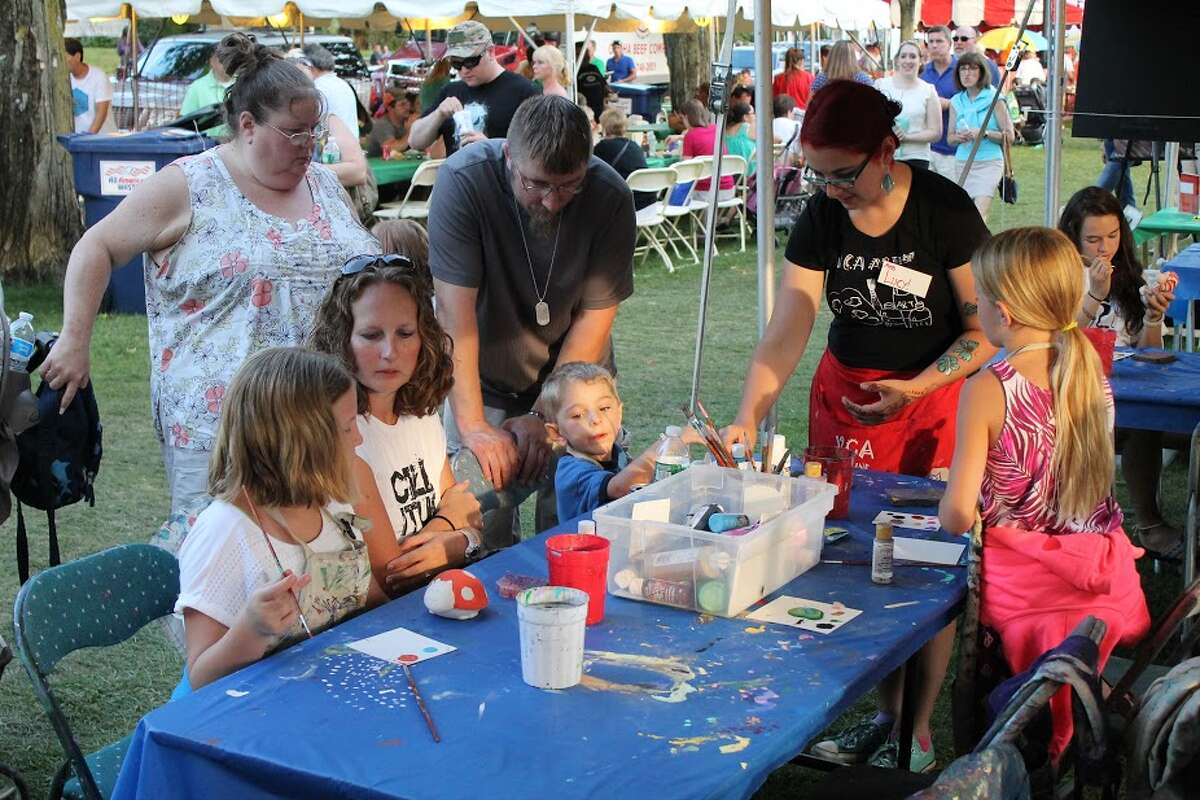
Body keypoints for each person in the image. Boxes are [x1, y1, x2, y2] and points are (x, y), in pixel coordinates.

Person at [722, 80, 993, 772]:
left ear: (886, 151)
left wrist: (920, 387)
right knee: (844, 555)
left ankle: (916, 727)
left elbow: (984, 328)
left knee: (927, 567)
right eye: (817, 174)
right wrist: (749, 410)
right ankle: (875, 711)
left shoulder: (943, 210)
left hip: (932, 402)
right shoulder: (823, 216)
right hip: (845, 398)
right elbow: (792, 320)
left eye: (843, 174)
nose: (831, 189)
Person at [41, 32, 380, 515]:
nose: (309, 146)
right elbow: (96, 246)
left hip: (322, 421)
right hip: (221, 434)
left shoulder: (325, 187)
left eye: (315, 131)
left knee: (322, 565)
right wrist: (75, 341)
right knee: (224, 571)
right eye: (294, 132)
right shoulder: (190, 184)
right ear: (247, 125)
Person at [939, 227, 1150, 760]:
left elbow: (958, 516)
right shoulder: (1088, 369)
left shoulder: (987, 387)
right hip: (1102, 574)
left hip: (1026, 588)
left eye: (979, 297)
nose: (976, 305)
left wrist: (951, 494)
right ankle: (1095, 706)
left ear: (1003, 312)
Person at [427, 95, 636, 549]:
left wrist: (544, 413)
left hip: (573, 386)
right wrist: (475, 427)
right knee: (480, 524)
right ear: (508, 157)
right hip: (481, 377)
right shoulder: (464, 182)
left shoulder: (610, 196)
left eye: (569, 186)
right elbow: (454, 316)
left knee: (574, 525)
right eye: (537, 183)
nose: (552, 201)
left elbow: (595, 317)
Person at [173, 347, 386, 693]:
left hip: (327, 693)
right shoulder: (224, 531)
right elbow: (201, 678)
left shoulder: (332, 507)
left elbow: (372, 603)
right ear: (303, 445)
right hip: (250, 716)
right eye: (348, 428)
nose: (358, 439)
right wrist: (251, 630)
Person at [310, 249, 485, 595]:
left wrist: (461, 534)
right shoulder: (344, 436)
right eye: (371, 335)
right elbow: (393, 575)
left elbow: (471, 514)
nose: (390, 352)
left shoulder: (420, 417)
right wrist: (454, 533)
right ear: (341, 339)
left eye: (405, 333)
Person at [1059, 187, 1182, 560]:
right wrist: (1094, 296)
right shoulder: (1061, 276)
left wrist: (1153, 315)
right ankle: (1097, 528)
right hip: (1070, 396)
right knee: (1117, 427)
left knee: (1141, 425)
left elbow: (1149, 352)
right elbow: (1057, 342)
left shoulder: (1131, 276)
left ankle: (1147, 524)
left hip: (1121, 391)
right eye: (1093, 239)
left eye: (1112, 236)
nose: (1104, 248)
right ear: (1073, 238)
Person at [541, 362, 698, 520]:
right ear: (556, 432)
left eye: (604, 408)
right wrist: (671, 442)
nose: (596, 419)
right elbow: (620, 487)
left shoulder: (617, 453)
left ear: (619, 412)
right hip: (589, 544)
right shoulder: (571, 471)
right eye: (577, 415)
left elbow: (642, 481)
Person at [408, 21, 539, 156]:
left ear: (490, 52)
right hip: (458, 176)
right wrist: (438, 114)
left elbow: (540, 150)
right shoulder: (451, 91)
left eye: (471, 61)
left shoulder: (523, 91)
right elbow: (415, 142)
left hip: (499, 176)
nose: (464, 70)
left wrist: (494, 147)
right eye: (456, 63)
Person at [947, 51, 1014, 223]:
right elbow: (950, 139)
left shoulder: (995, 99)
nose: (967, 74)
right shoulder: (956, 101)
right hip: (963, 162)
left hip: (989, 162)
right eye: (963, 69)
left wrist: (984, 133)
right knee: (964, 214)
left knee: (979, 213)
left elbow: (1010, 136)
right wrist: (960, 137)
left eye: (972, 69)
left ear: (982, 73)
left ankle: (977, 248)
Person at [875, 41, 942, 171]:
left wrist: (907, 137)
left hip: (916, 158)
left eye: (912, 56)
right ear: (897, 60)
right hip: (884, 155)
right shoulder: (880, 86)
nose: (908, 60)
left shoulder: (928, 90)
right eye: (903, 56)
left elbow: (935, 132)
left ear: (920, 61)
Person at [920, 26, 960, 182]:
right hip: (926, 147)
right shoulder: (922, 72)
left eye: (939, 41)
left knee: (952, 199)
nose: (934, 45)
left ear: (949, 44)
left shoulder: (962, 70)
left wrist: (948, 103)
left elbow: (971, 103)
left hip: (953, 149)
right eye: (931, 42)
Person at [594, 108, 654, 210]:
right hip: (648, 203)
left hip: (624, 205)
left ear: (604, 126)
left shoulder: (602, 147)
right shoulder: (634, 145)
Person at [302, 43, 360, 136]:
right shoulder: (342, 83)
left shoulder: (318, 88)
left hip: (332, 147)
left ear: (310, 66)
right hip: (351, 144)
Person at [681, 99, 735, 197]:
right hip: (728, 190)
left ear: (686, 117)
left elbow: (686, 169)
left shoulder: (690, 136)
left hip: (705, 192)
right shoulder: (716, 129)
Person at [179, 51, 234, 137]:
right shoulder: (197, 87)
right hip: (207, 146)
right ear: (212, 61)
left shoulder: (244, 84)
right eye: (223, 59)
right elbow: (185, 124)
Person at [64, 38, 112, 134]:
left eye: (64, 57)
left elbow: (101, 113)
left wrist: (88, 138)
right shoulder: (64, 78)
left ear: (77, 56)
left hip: (100, 139)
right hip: (76, 139)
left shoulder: (98, 76)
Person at [365, 87, 417, 158]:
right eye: (402, 105)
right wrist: (410, 131)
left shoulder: (406, 122)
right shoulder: (381, 124)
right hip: (378, 167)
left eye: (408, 104)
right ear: (390, 108)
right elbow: (390, 148)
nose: (408, 108)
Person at [1096, 139, 1139, 210]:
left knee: (1096, 197)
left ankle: (1083, 215)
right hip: (1114, 139)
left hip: (1129, 141)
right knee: (1123, 185)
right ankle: (1130, 216)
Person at [724, 103, 757, 177]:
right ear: (745, 117)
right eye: (753, 113)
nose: (755, 116)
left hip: (731, 175)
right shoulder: (748, 127)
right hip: (749, 175)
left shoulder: (726, 130)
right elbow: (776, 139)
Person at [771, 95, 802, 166]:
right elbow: (799, 151)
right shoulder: (797, 125)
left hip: (768, 167)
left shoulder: (767, 125)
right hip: (788, 168)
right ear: (789, 112)